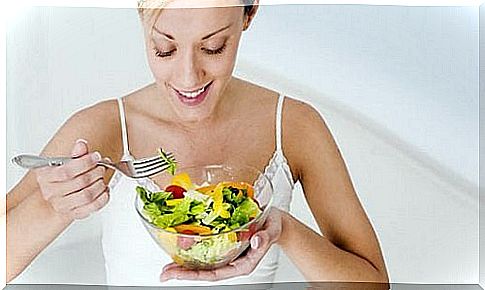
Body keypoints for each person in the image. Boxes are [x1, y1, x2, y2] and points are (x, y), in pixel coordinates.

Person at [6, 0, 389, 287]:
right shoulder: (105, 128)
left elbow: (373, 283)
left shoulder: (294, 126)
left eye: (213, 47)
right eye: (165, 49)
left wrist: (283, 230)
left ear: (249, 13)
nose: (189, 77)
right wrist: (54, 205)